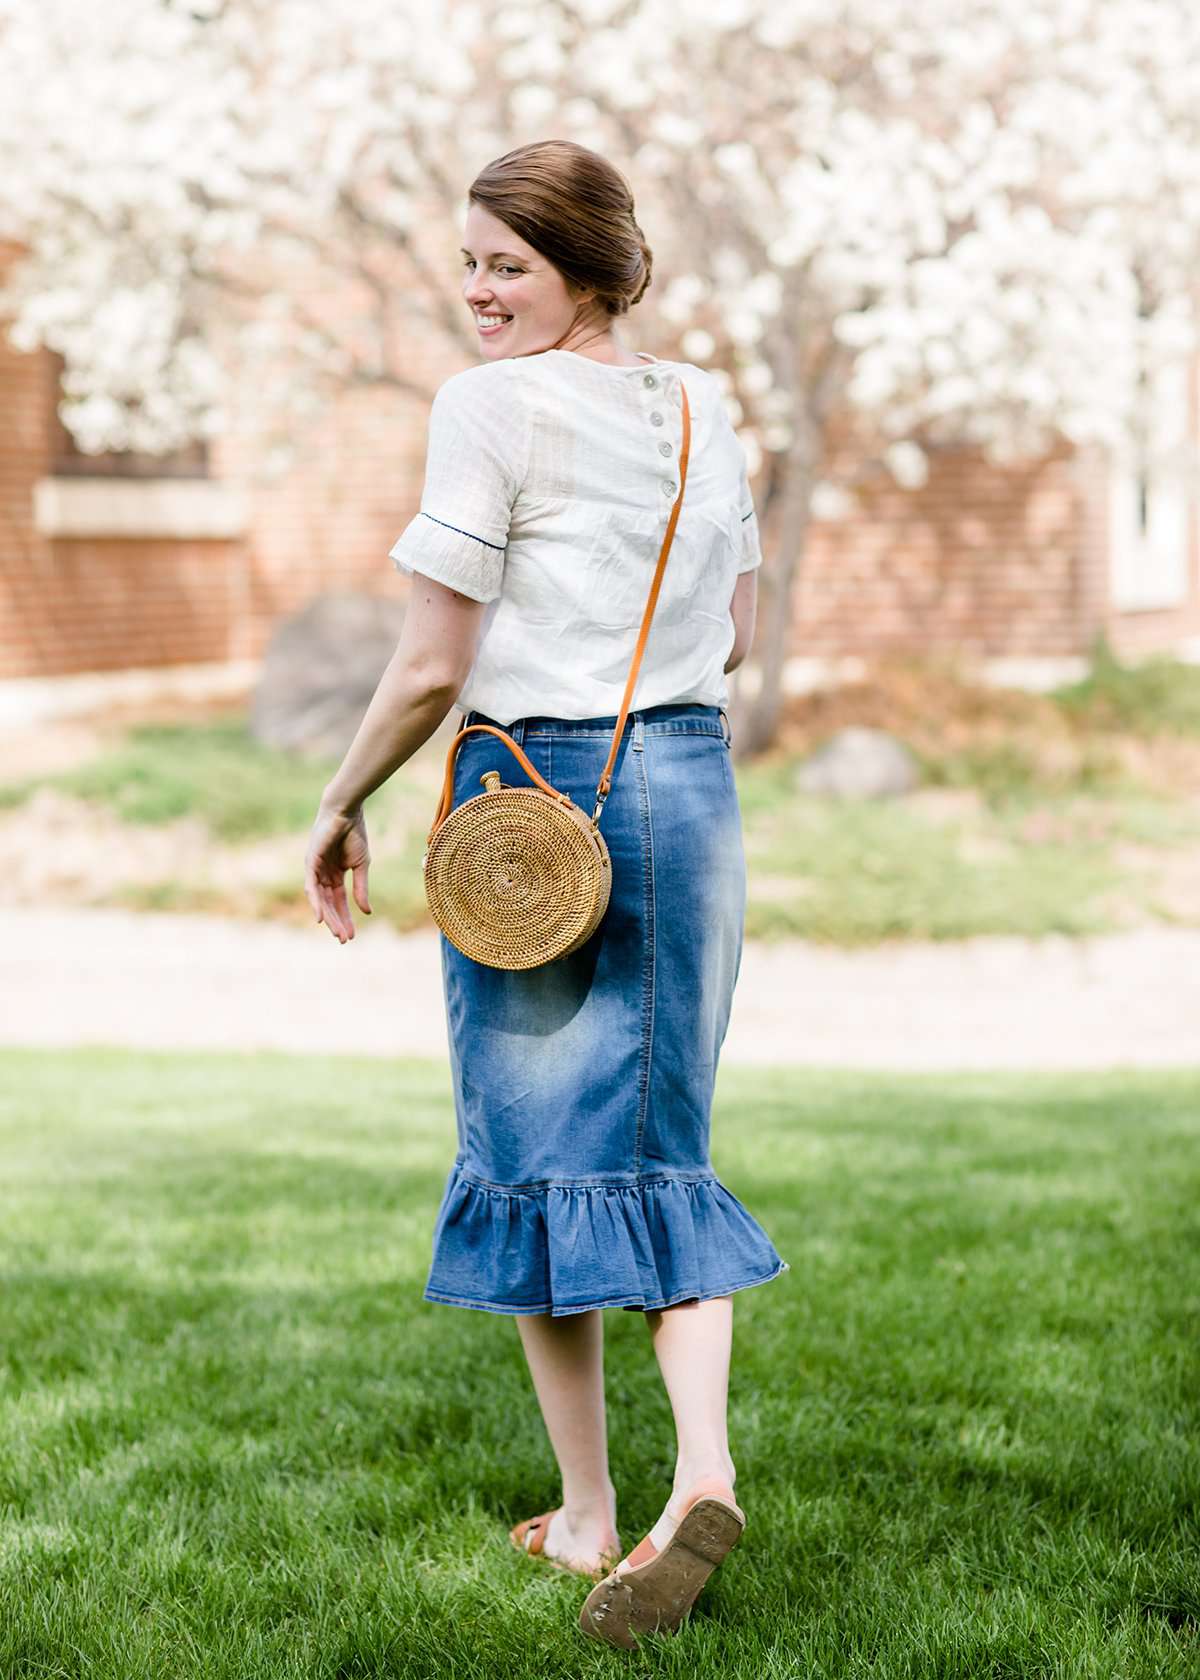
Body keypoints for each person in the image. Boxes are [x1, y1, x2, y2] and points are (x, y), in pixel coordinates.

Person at [303, 138, 788, 1648]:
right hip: (690, 786)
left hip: (539, 802)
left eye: (505, 263)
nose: (475, 292)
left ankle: (599, 1505)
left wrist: (337, 800)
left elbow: (439, 661)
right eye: (468, 262)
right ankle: (683, 1473)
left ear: (585, 265)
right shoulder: (706, 406)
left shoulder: (488, 409)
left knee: (530, 1144)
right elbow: (741, 631)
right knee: (658, 1134)